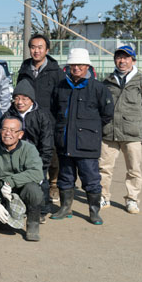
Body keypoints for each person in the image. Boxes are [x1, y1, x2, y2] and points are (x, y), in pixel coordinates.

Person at [50, 48, 114, 225]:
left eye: (80, 65)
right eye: (73, 65)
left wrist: (90, 129)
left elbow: (107, 113)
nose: (76, 68)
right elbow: (54, 110)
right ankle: (65, 208)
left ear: (87, 66)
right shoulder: (61, 87)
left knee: (92, 179)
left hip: (87, 145)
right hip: (64, 143)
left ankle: (94, 211)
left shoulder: (98, 88)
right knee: (65, 177)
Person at [100, 45, 142, 214]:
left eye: (126, 58)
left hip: (132, 134)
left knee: (134, 169)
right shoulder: (108, 82)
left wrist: (137, 124)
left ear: (133, 60)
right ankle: (104, 196)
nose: (122, 61)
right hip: (109, 132)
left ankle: (132, 199)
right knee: (104, 167)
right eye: (119, 57)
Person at [14, 33, 64, 205]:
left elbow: (61, 100)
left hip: (49, 120)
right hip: (28, 120)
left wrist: (58, 121)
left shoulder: (56, 72)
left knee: (51, 155)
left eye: (40, 47)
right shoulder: (24, 68)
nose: (36, 51)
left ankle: (53, 184)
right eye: (33, 47)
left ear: (47, 50)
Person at [0, 114, 45, 241]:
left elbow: (37, 173)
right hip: (2, 194)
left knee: (34, 190)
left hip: (22, 191)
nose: (7, 133)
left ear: (20, 134)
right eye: (4, 129)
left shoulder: (29, 149)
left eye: (12, 130)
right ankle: (8, 221)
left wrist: (11, 182)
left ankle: (33, 224)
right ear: (0, 132)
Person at [10, 79, 53, 222]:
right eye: (16, 98)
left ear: (31, 100)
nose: (20, 102)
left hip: (36, 159)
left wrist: (42, 164)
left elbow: (47, 144)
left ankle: (42, 210)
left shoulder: (41, 116)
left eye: (24, 98)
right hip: (14, 159)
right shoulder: (9, 114)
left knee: (41, 184)